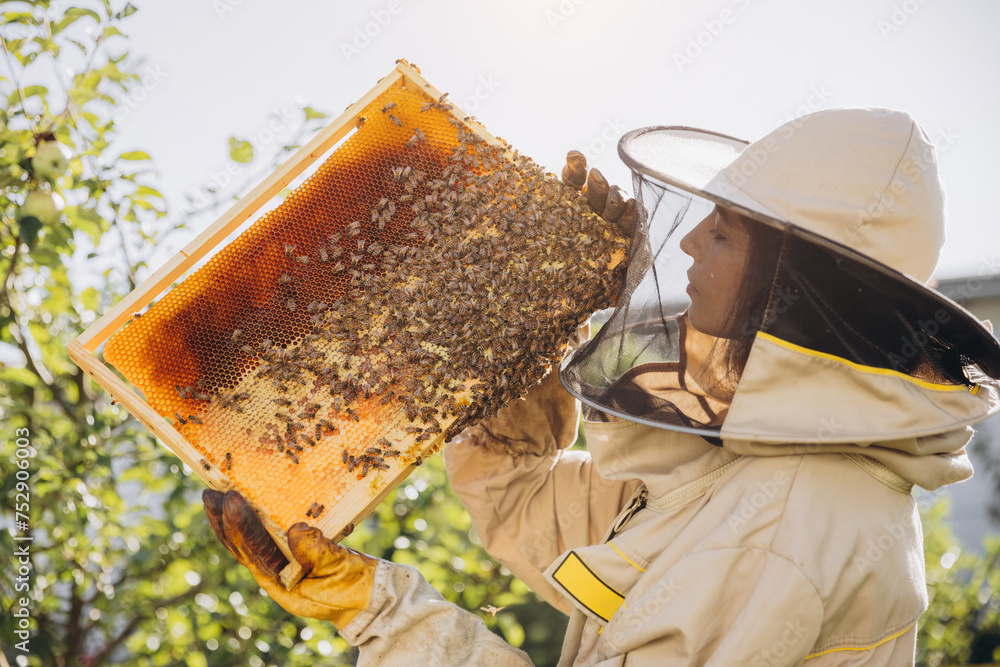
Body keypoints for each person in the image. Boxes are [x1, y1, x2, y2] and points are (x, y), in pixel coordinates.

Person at [203, 107, 1000, 665]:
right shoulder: (730, 478)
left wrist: (381, 614)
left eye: (722, 229)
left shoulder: (780, 527)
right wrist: (536, 314)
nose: (687, 240)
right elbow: (517, 499)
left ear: (794, 288)